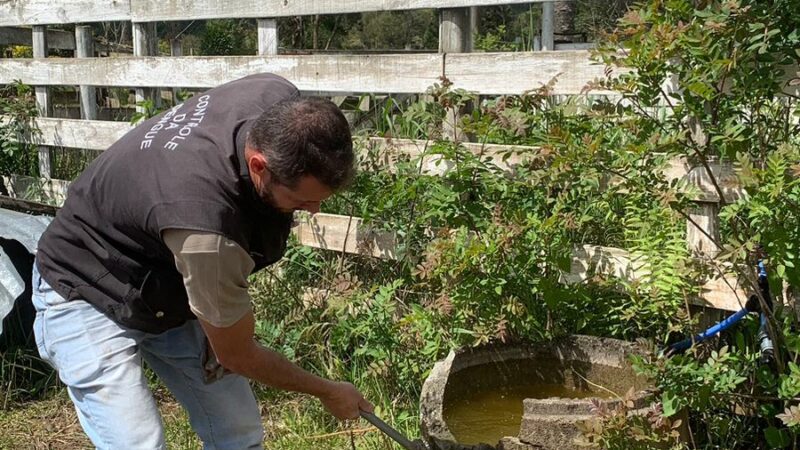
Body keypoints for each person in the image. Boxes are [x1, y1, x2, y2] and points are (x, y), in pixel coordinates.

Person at [31, 73, 374, 449]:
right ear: (259, 166)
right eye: (302, 200)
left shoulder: (274, 97)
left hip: (166, 280)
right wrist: (326, 390)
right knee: (138, 443)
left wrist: (219, 321)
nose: (314, 209)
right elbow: (237, 354)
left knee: (238, 430)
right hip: (84, 283)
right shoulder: (205, 230)